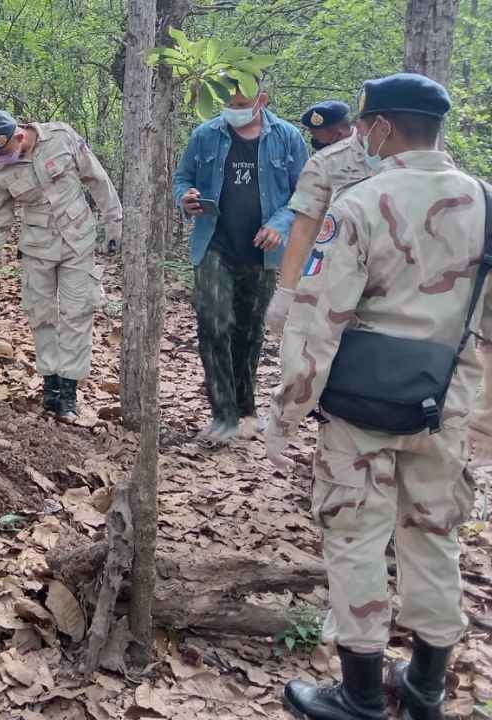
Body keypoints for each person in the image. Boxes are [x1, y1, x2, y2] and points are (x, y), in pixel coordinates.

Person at [264, 73, 482, 720]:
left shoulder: (358, 203)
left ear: (382, 128)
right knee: (436, 536)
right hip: (446, 402)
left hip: (362, 406)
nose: (361, 135)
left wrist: (287, 412)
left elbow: (319, 317)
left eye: (366, 125)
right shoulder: (486, 204)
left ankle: (359, 694)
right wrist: (485, 430)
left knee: (356, 536)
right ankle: (426, 688)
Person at [172, 81, 308, 443]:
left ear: (261, 100)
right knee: (214, 325)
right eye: (228, 103)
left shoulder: (287, 138)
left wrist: (281, 224)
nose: (233, 109)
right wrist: (184, 198)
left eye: (242, 103)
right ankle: (224, 415)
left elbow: (305, 194)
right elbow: (182, 177)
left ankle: (247, 411)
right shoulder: (206, 135)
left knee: (249, 332)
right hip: (213, 244)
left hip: (262, 251)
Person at [0, 110, 122, 420]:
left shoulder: (61, 137)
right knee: (41, 315)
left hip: (78, 242)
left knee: (77, 313)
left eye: (6, 152)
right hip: (37, 249)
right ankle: (50, 387)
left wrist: (114, 222)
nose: (3, 160)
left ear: (19, 136)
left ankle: (68, 393)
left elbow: (96, 178)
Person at [264, 101, 370, 333]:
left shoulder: (383, 157)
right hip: (329, 268)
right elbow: (303, 227)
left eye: (317, 134)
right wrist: (286, 292)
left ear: (338, 132)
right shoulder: (322, 163)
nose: (313, 139)